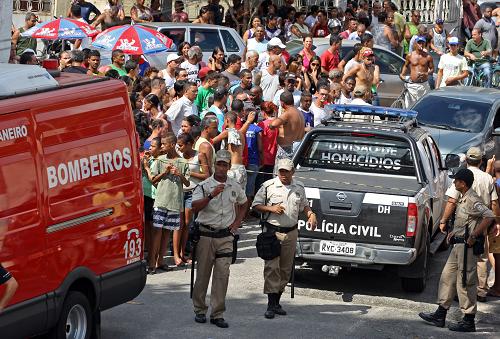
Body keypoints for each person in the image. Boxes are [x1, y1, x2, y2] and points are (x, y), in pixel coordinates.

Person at [419, 168, 496, 332]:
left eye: (456, 181)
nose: (454, 183)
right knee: (447, 278)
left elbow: (489, 216)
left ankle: (468, 320)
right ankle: (440, 314)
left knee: (465, 282)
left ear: (463, 183)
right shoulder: (463, 198)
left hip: (466, 249)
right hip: (458, 245)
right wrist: (455, 231)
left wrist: (474, 235)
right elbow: (465, 220)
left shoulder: (472, 199)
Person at [252, 158, 317, 319]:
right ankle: (270, 304)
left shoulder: (299, 187)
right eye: (281, 171)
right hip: (272, 232)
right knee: (272, 268)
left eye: (286, 172)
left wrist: (311, 214)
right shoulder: (268, 186)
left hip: (291, 232)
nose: (283, 174)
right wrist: (271, 208)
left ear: (292, 172)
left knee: (285, 269)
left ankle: (276, 302)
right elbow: (255, 205)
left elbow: (304, 206)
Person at [192, 150, 248, 328]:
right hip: (206, 235)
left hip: (225, 236)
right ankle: (200, 310)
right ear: (214, 165)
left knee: (222, 275)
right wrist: (211, 195)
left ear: (229, 167)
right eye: (219, 164)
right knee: (203, 275)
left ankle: (217, 314)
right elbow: (194, 207)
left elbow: (244, 202)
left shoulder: (234, 185)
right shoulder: (205, 185)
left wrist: (237, 222)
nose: (222, 167)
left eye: (225, 164)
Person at [438, 147, 499, 303]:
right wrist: (495, 224)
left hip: (469, 230)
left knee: (465, 268)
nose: (455, 182)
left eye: (456, 181)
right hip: (476, 228)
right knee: (481, 258)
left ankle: (466, 309)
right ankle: (481, 291)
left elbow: (452, 202)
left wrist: (444, 221)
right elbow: (494, 204)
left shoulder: (467, 189)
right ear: (480, 160)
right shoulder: (486, 178)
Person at [147, 133, 190, 274]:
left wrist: (179, 174)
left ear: (172, 145)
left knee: (167, 232)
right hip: (161, 201)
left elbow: (187, 182)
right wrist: (164, 173)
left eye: (165, 144)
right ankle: (152, 262)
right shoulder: (159, 160)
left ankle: (161, 261)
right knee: (157, 231)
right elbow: (153, 180)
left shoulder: (182, 162)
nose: (162, 147)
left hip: (175, 202)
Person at [270, 91, 305, 164]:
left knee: (279, 175)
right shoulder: (299, 113)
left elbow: (273, 125)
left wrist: (271, 122)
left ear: (282, 103)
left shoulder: (288, 113)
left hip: (286, 150)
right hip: (298, 148)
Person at [399, 38, 434, 107]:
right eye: (419, 43)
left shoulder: (428, 57)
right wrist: (402, 74)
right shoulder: (410, 56)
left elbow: (432, 69)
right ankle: (408, 118)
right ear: (415, 44)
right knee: (409, 106)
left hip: (423, 85)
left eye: (422, 43)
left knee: (423, 106)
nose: (421, 44)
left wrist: (426, 73)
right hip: (412, 85)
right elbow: (406, 66)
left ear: (424, 44)